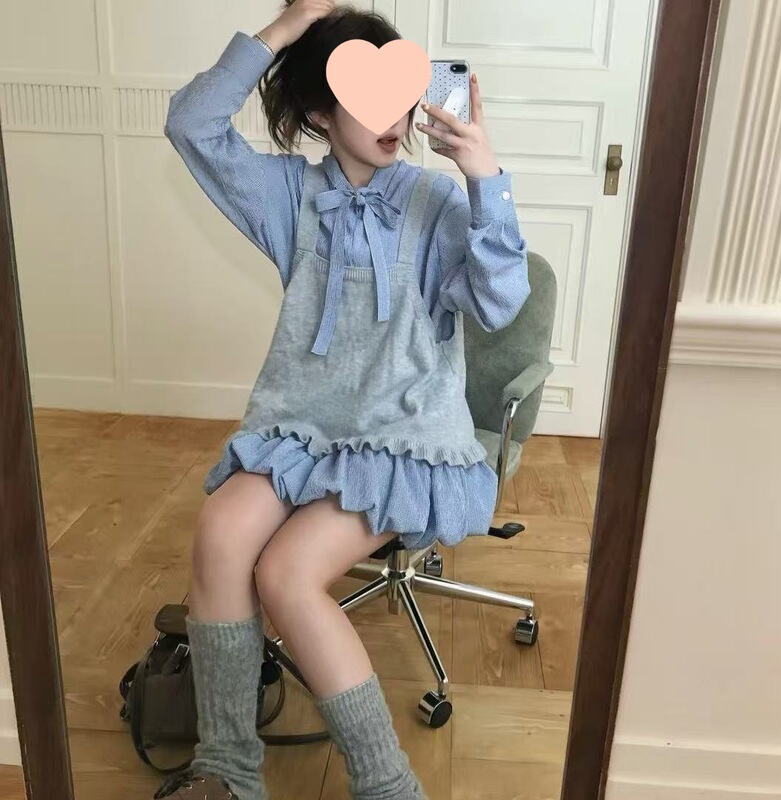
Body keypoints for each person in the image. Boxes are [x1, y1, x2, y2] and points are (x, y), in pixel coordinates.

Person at [157, 0, 530, 798]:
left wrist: (484, 177)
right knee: (221, 533)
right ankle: (227, 770)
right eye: (365, 97)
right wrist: (287, 28)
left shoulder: (437, 203)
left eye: (398, 95)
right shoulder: (285, 195)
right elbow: (191, 123)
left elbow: (500, 303)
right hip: (301, 429)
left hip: (405, 436)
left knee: (287, 574)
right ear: (321, 112)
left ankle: (388, 785)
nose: (392, 117)